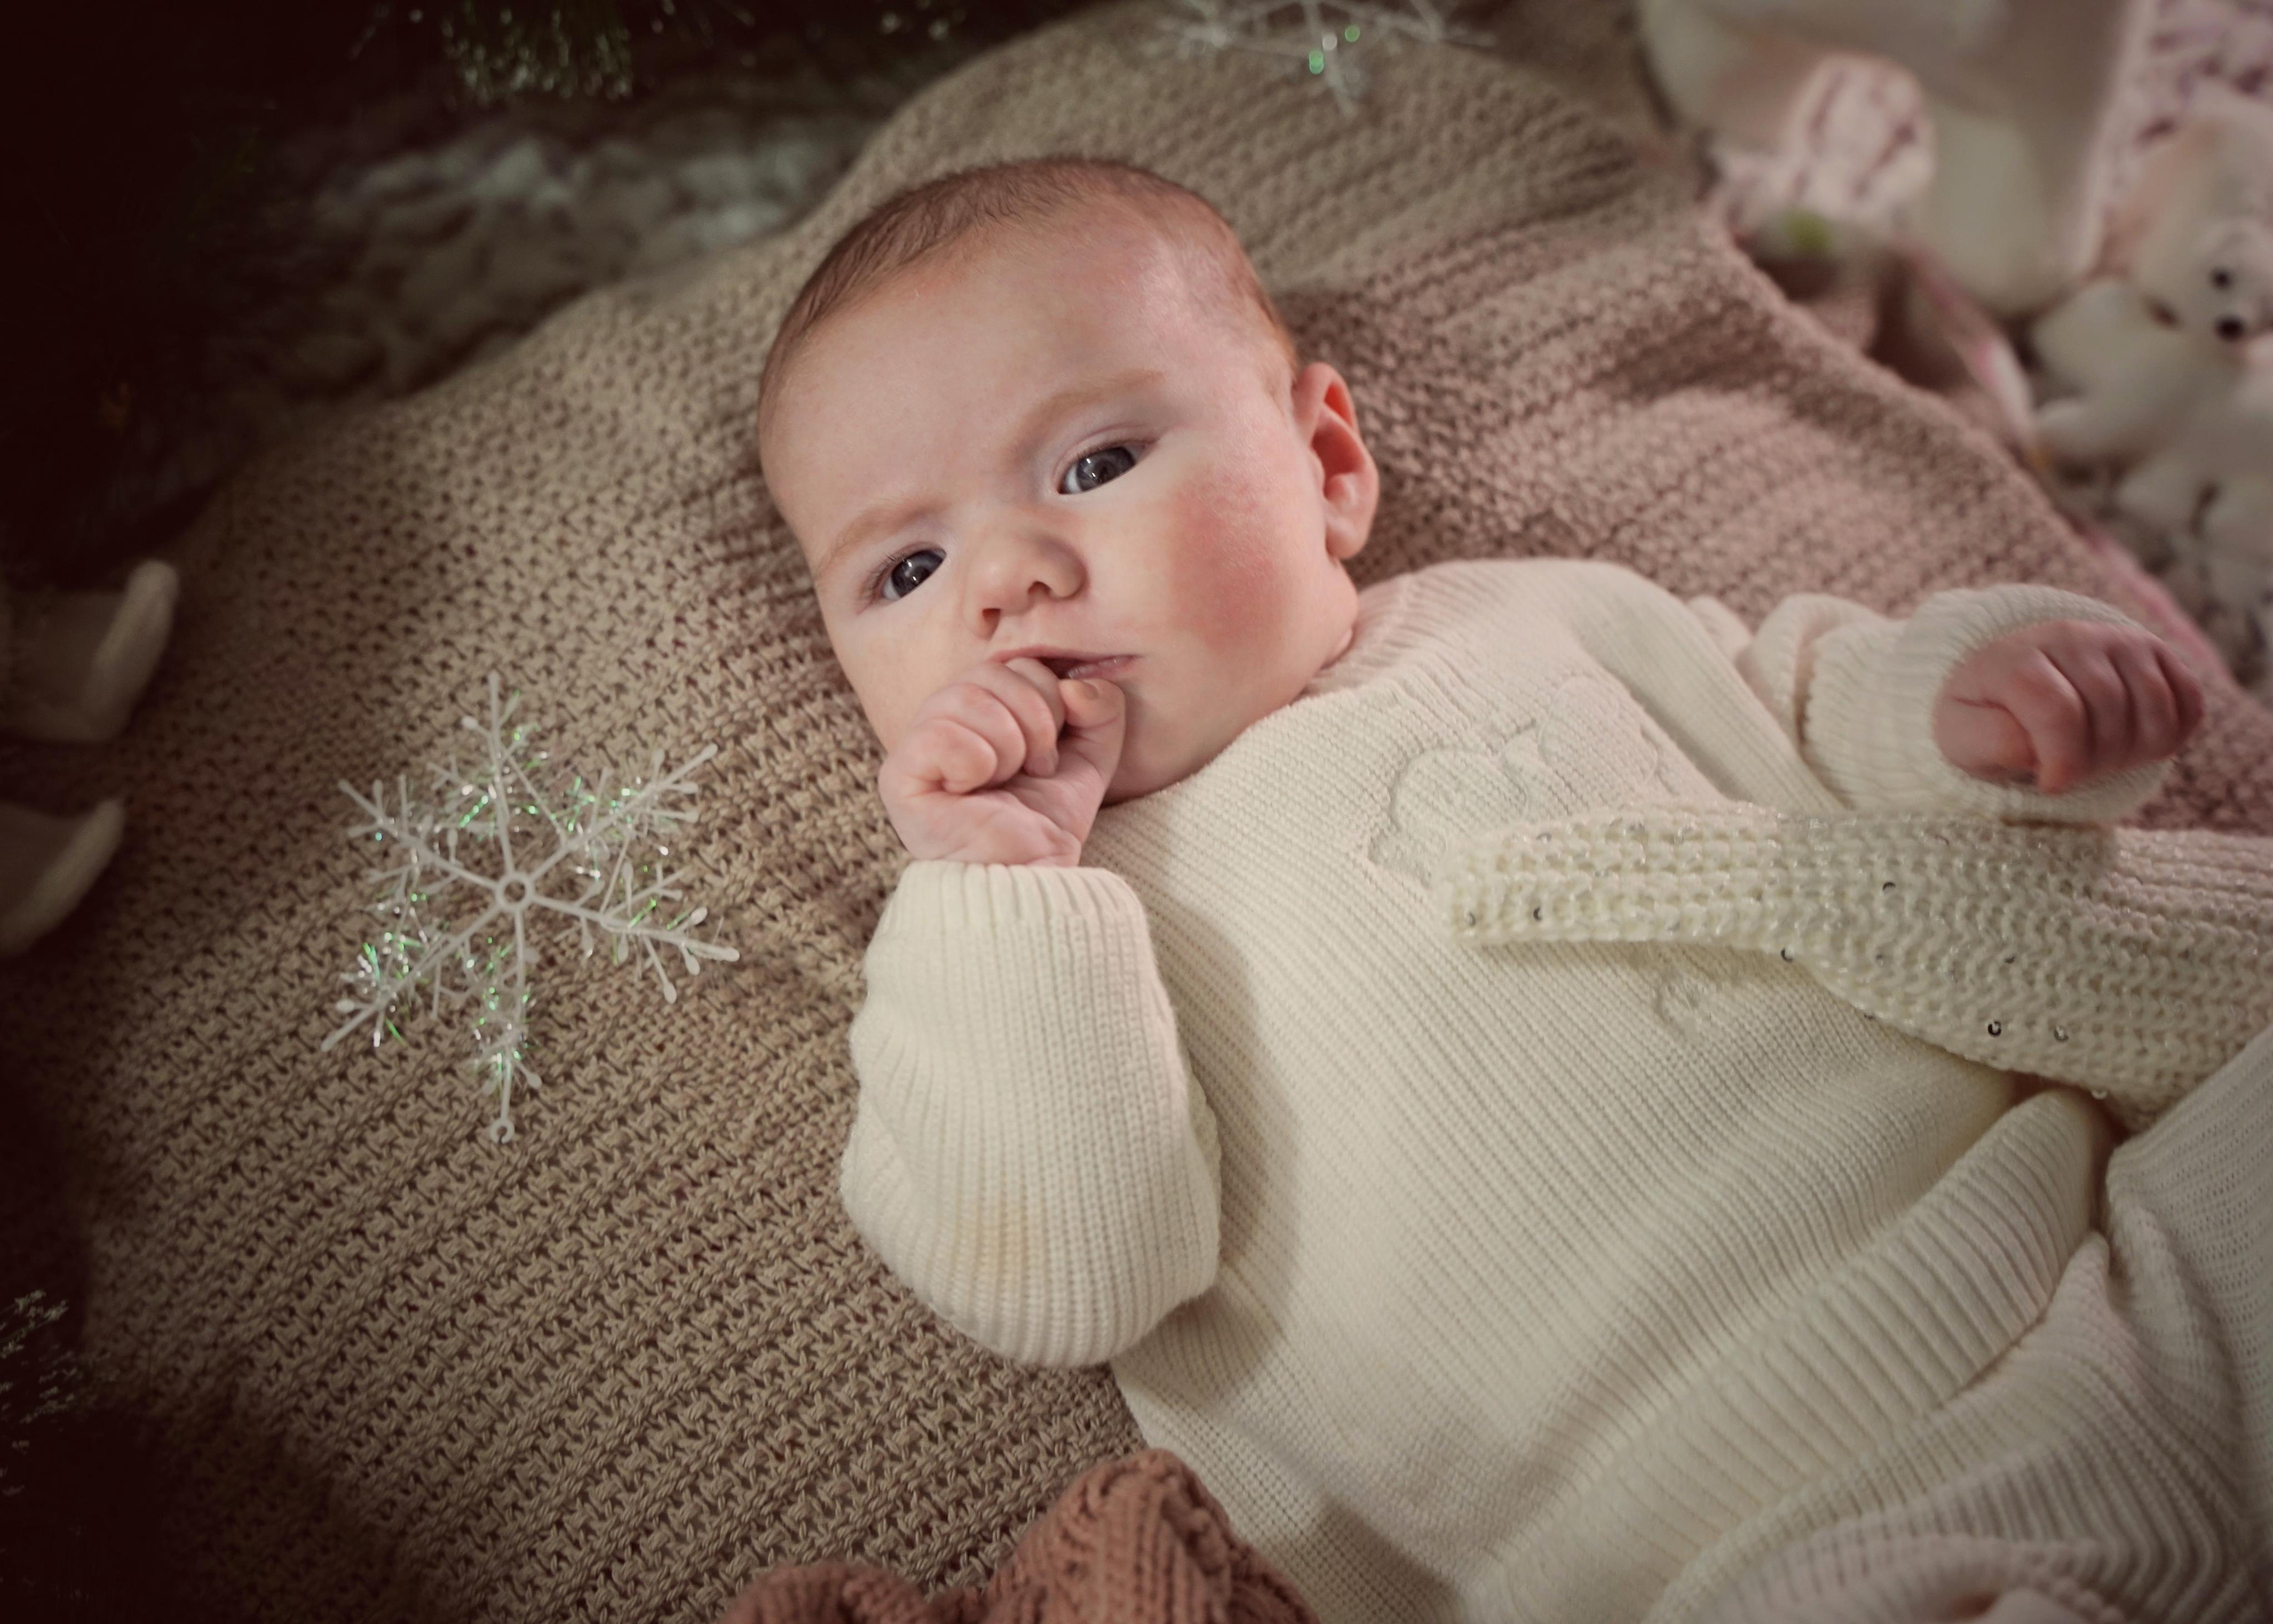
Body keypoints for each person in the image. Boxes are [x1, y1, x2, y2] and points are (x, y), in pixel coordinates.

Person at [755, 156, 2269, 1623]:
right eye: (906, 572)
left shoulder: (1547, 615)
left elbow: (1818, 709)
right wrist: (1010, 883)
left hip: (2110, 1283)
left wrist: (1984, 705)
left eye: (1093, 466)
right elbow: (1065, 1273)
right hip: (1717, 1543)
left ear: (1328, 466)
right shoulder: (1000, 939)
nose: (1005, 579)